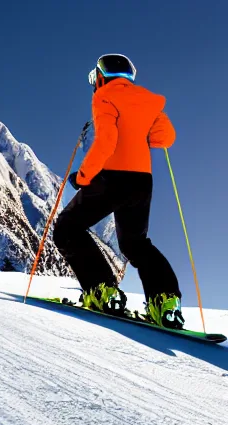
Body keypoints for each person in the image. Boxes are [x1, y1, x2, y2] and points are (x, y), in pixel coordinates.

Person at [53, 54, 184, 329]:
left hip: (111, 178)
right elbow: (165, 137)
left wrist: (84, 176)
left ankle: (103, 292)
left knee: (67, 228)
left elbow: (106, 142)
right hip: (142, 182)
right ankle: (165, 303)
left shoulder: (103, 96)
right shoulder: (148, 100)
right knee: (135, 244)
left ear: (101, 77)